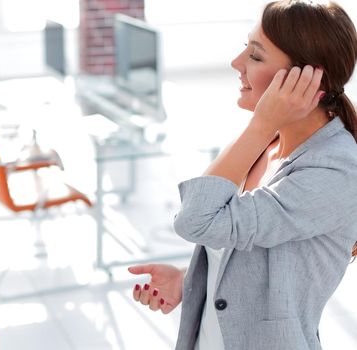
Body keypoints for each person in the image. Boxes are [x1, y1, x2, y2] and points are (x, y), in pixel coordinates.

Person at [129, 1, 357, 349]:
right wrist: (189, 281)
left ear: (306, 80)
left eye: (255, 55)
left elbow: (195, 221)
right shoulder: (272, 143)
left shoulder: (335, 170)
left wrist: (261, 124)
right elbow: (248, 247)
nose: (236, 64)